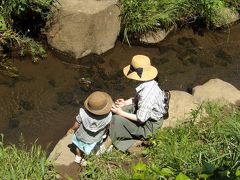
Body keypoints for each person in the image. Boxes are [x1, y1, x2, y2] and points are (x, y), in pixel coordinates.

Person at [110, 55, 170, 153]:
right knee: (119, 108)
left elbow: (141, 119)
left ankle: (123, 142)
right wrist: (125, 102)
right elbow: (137, 98)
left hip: (149, 124)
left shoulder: (148, 94)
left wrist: (120, 113)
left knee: (116, 119)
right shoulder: (148, 83)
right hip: (145, 113)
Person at [68, 91, 113, 165]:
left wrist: (73, 129)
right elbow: (107, 126)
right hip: (95, 139)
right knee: (90, 150)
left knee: (78, 146)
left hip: (81, 136)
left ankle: (78, 157)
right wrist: (105, 133)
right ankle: (85, 160)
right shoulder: (108, 117)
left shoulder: (83, 114)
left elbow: (77, 124)